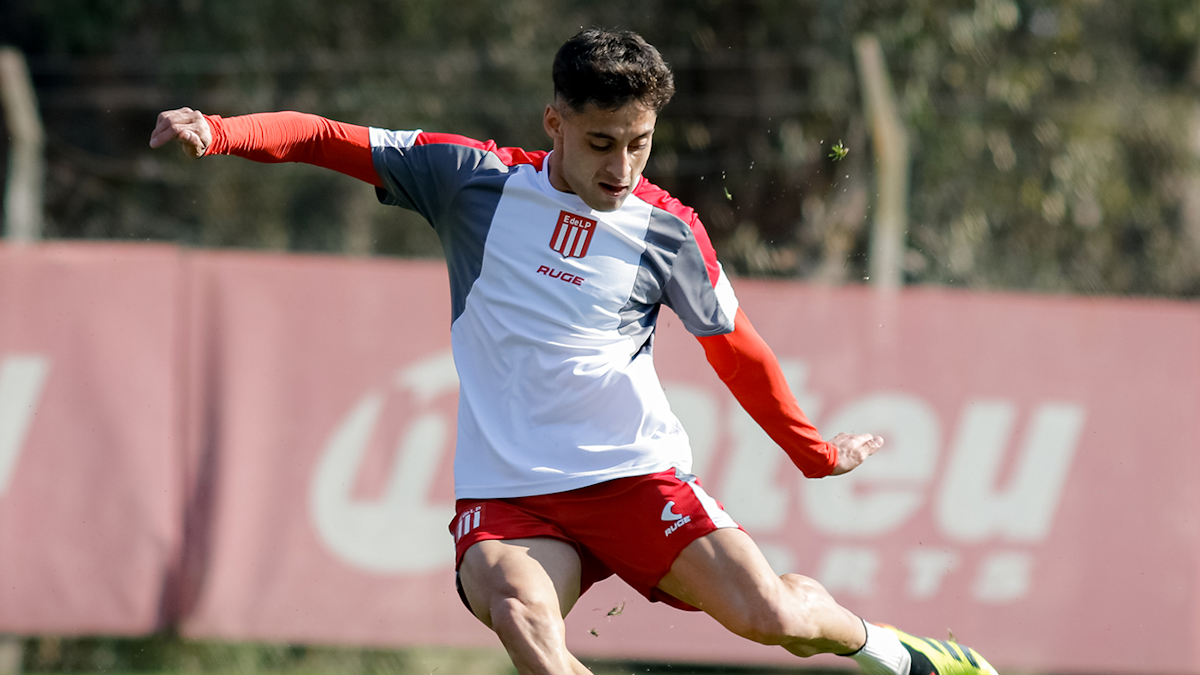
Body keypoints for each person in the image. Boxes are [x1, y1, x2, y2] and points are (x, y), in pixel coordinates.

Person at [151, 28, 996, 675]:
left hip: (637, 478)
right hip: (512, 496)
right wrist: (219, 131)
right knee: (525, 620)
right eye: (601, 143)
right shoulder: (471, 182)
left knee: (771, 613)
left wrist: (812, 454)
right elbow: (327, 136)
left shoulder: (668, 231)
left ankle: (906, 656)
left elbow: (738, 351)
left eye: (640, 143)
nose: (623, 166)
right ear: (555, 121)